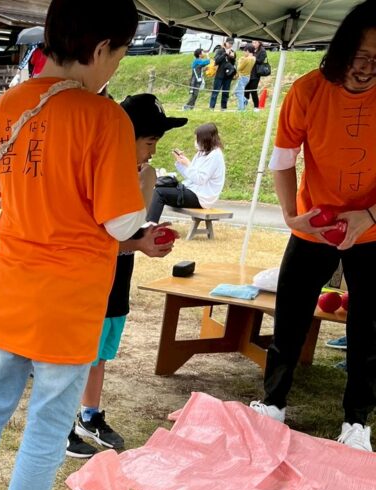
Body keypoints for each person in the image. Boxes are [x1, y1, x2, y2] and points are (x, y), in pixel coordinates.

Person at [0, 0, 149, 490]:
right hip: (68, 298)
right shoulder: (104, 117)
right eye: (119, 55)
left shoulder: (5, 107)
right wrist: (144, 182)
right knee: (49, 417)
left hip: (11, 284)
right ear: (101, 48)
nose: (116, 66)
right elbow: (121, 222)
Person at [250, 1, 376, 452]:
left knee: (368, 327)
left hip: (372, 228)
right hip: (313, 225)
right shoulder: (307, 91)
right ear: (341, 49)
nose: (368, 68)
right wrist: (290, 215)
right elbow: (283, 160)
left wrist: (369, 216)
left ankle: (357, 421)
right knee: (290, 314)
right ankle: (273, 403)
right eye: (361, 56)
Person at [68, 94, 183, 458]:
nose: (153, 151)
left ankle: (89, 415)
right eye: (149, 142)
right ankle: (63, 425)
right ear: (122, 136)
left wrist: (147, 235)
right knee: (78, 355)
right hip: (88, 278)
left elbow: (129, 229)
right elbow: (91, 240)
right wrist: (139, 243)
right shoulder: (94, 174)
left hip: (118, 276)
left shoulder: (142, 174)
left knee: (101, 351)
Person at [148, 123, 226, 223]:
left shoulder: (215, 155)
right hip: (192, 190)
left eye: (197, 139)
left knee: (160, 193)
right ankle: (148, 224)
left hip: (201, 197)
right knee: (158, 187)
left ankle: (150, 225)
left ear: (206, 139)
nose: (196, 142)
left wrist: (188, 164)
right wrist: (181, 163)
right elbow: (190, 177)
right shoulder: (201, 153)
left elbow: (200, 179)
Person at [209, 39, 237, 110]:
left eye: (232, 44)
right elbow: (216, 61)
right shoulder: (220, 50)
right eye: (229, 43)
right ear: (225, 42)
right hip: (220, 75)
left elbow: (233, 64)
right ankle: (211, 107)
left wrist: (233, 57)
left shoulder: (232, 52)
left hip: (228, 75)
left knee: (225, 93)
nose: (230, 45)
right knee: (215, 91)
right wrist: (225, 54)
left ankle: (223, 107)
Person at [247, 40, 269, 111]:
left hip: (256, 73)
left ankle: (256, 107)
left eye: (255, 42)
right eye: (252, 42)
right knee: (246, 89)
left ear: (259, 43)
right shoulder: (252, 49)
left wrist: (253, 57)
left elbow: (260, 61)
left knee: (253, 90)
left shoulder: (262, 51)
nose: (253, 44)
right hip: (249, 72)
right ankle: (244, 105)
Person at [235, 44, 256, 111]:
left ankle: (241, 108)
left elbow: (239, 68)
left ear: (247, 51)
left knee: (239, 93)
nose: (243, 53)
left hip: (242, 77)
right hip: (247, 77)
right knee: (237, 92)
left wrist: (239, 61)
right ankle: (245, 100)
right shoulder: (254, 58)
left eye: (244, 51)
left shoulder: (246, 59)